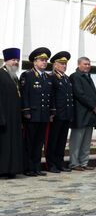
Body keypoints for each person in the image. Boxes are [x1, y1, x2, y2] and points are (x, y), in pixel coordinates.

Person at [19, 47, 54, 176]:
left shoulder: (47, 77)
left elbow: (50, 97)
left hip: (43, 115)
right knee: (30, 142)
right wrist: (26, 111)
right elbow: (25, 95)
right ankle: (28, 168)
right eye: (42, 60)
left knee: (39, 143)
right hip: (32, 115)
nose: (44, 62)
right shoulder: (27, 75)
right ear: (35, 62)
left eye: (45, 60)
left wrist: (51, 112)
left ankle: (36, 167)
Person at [69, 57, 96, 171]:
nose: (87, 66)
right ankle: (74, 163)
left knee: (86, 141)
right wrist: (93, 105)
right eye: (85, 64)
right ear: (78, 64)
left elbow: (91, 93)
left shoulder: (88, 76)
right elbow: (79, 94)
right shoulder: (75, 76)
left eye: (88, 64)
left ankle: (84, 162)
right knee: (76, 140)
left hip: (89, 114)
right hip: (80, 113)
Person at [47, 51, 74, 173]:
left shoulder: (66, 79)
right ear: (55, 64)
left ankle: (59, 162)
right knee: (53, 140)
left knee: (62, 141)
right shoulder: (52, 77)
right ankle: (51, 163)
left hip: (66, 114)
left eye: (65, 64)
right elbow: (51, 96)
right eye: (62, 63)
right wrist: (52, 112)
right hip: (57, 114)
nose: (64, 66)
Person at [0, 47, 24, 179]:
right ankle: (3, 170)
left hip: (14, 117)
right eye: (13, 60)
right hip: (4, 116)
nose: (16, 62)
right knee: (4, 145)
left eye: (17, 60)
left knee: (13, 144)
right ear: (6, 60)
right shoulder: (0, 74)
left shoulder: (14, 76)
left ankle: (12, 169)